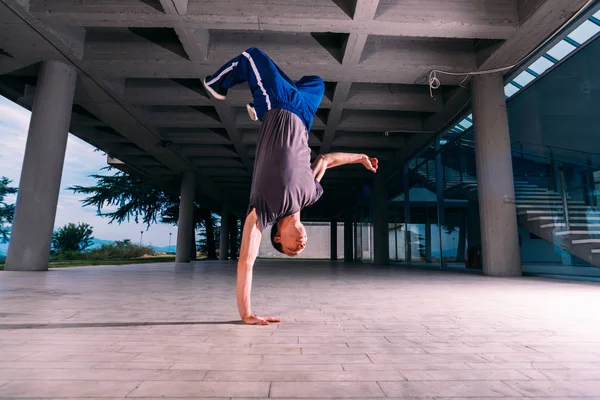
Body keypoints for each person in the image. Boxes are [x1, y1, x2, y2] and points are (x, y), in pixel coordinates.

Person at [203, 48, 379, 325]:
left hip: (278, 104)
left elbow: (246, 264)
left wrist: (246, 313)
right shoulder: (310, 194)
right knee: (317, 81)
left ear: (276, 238)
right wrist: (359, 158)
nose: (301, 244)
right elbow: (325, 160)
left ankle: (215, 85)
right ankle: (257, 105)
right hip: (304, 114)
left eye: (293, 248)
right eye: (302, 248)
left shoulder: (263, 210)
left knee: (251, 57)